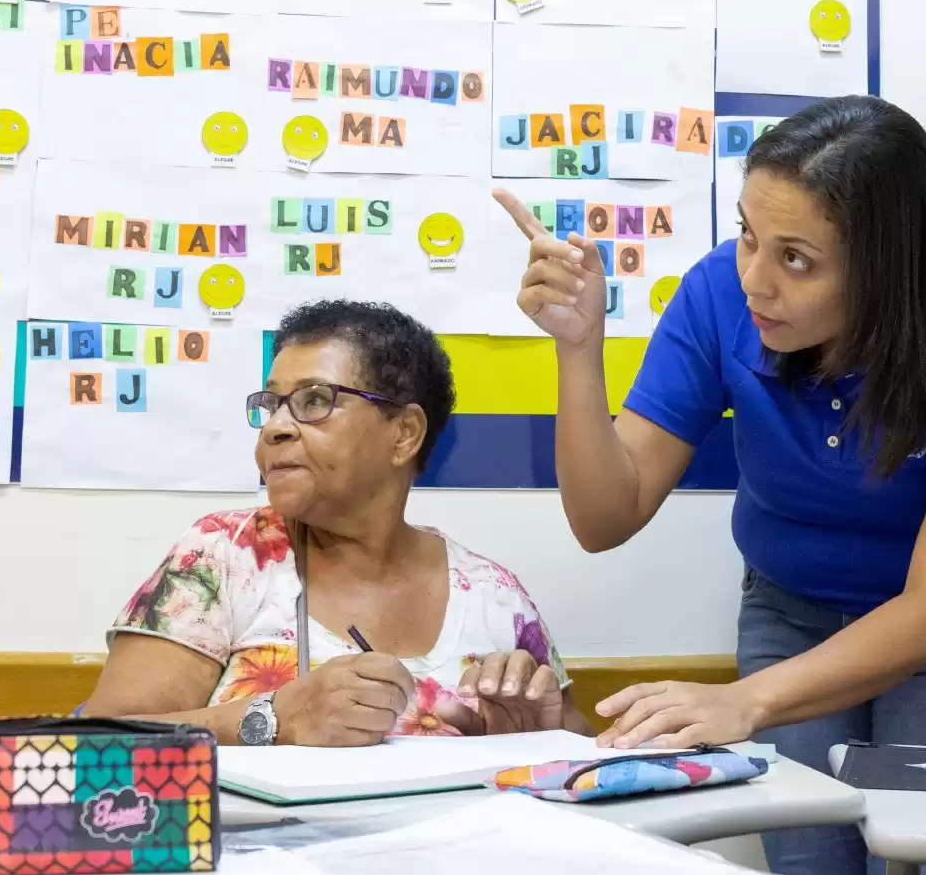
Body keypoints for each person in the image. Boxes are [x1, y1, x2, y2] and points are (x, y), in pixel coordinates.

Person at [497, 95, 926, 875]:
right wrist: (579, 352)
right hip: (792, 611)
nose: (757, 278)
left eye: (797, 259)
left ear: (886, 267)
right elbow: (604, 517)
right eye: (749, 236)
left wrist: (745, 701)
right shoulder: (720, 293)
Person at [81, 300, 591, 745]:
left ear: (404, 434)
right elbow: (100, 748)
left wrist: (528, 736)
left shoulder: (495, 597)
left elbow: (580, 753)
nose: (277, 428)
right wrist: (276, 718)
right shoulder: (223, 555)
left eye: (313, 401)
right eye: (271, 405)